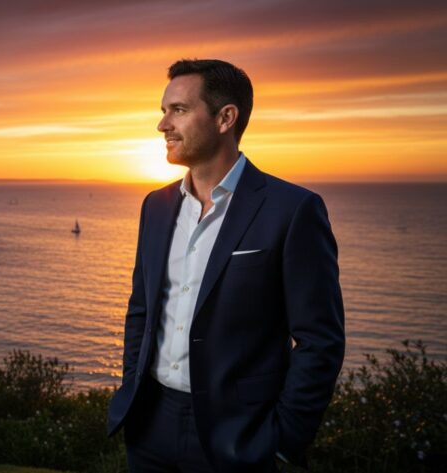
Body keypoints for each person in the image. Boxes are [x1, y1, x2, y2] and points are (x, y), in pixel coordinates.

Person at [106, 59, 345, 473]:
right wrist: (132, 386)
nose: (163, 125)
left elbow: (319, 340)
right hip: (149, 426)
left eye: (178, 110)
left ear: (225, 118)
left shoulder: (293, 210)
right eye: (163, 111)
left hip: (240, 436)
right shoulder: (156, 207)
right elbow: (141, 310)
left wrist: (283, 442)